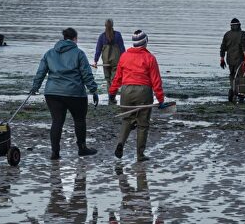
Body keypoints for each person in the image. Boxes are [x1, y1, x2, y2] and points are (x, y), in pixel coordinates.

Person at [31, 27, 100, 159]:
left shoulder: (50, 53)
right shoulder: (79, 53)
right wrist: (93, 90)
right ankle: (82, 148)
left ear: (64, 38)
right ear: (75, 39)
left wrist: (35, 87)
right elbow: (86, 74)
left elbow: (41, 72)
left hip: (52, 93)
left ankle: (55, 153)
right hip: (75, 93)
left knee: (57, 121)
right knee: (79, 120)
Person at [109, 30, 166, 162]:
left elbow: (117, 77)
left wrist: (112, 93)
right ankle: (140, 155)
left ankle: (120, 143)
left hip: (126, 91)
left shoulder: (124, 56)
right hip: (143, 91)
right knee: (142, 124)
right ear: (145, 42)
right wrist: (160, 99)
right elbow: (156, 80)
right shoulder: (150, 58)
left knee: (127, 120)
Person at [93, 20, 126, 104]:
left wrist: (95, 61)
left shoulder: (102, 36)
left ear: (105, 26)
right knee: (114, 80)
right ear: (112, 25)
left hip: (105, 62)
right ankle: (112, 97)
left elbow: (98, 50)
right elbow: (122, 49)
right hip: (116, 62)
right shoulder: (118, 35)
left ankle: (110, 97)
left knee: (108, 80)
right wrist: (125, 60)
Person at [219, 18, 245, 103]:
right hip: (240, 60)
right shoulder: (243, 34)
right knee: (241, 76)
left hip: (230, 59)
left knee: (232, 76)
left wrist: (222, 59)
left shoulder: (227, 34)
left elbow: (223, 47)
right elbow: (244, 47)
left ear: (231, 26)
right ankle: (241, 94)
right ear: (239, 25)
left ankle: (233, 91)